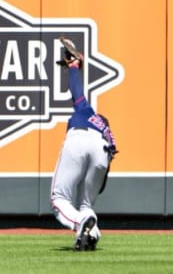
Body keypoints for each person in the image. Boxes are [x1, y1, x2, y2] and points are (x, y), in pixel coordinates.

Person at [50, 38, 118, 251]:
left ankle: (81, 224)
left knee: (59, 198)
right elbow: (103, 176)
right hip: (103, 153)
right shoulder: (107, 133)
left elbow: (75, 90)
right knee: (86, 204)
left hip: (79, 138)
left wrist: (73, 66)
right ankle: (91, 233)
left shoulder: (87, 112)